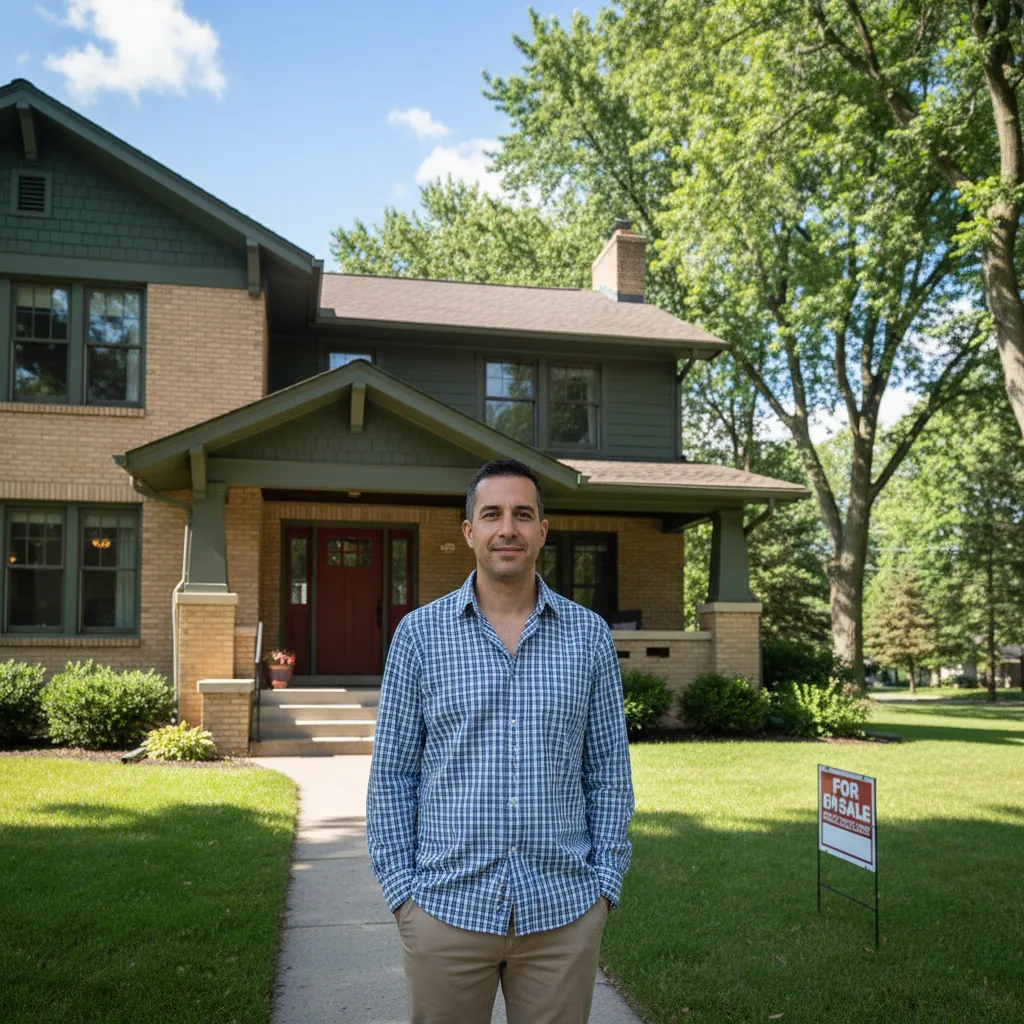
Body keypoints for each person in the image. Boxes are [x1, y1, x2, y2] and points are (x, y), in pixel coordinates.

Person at [366, 457, 635, 1024]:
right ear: (469, 532)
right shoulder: (419, 636)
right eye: (491, 514)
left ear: (543, 530)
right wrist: (401, 891)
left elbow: (608, 769)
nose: (506, 528)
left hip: (563, 912)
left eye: (522, 514)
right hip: (444, 909)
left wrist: (604, 884)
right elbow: (393, 772)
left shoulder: (588, 637)